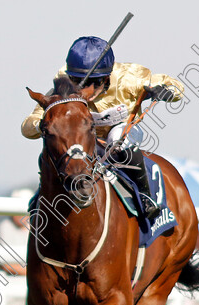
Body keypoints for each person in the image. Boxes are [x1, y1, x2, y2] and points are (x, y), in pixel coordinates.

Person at [21, 36, 185, 216]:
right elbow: (27, 126)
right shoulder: (63, 91)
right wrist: (44, 125)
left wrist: (165, 91)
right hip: (87, 140)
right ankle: (42, 195)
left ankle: (145, 195)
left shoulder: (130, 80)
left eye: (95, 82)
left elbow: (177, 86)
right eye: (77, 81)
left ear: (107, 78)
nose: (85, 90)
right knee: (56, 148)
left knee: (117, 140)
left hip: (123, 132)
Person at [0, 188, 32, 276]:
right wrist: (33, 273)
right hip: (13, 280)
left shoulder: (37, 226)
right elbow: (6, 265)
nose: (20, 214)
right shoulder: (5, 226)